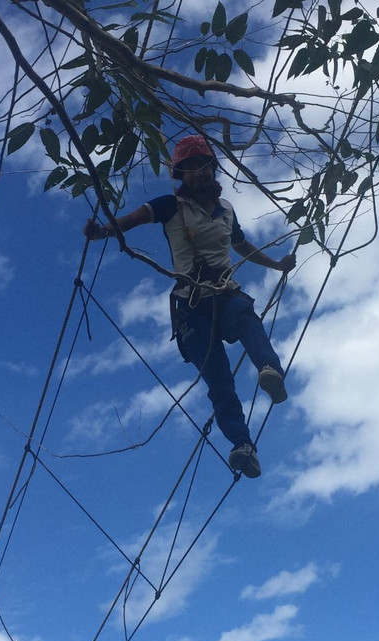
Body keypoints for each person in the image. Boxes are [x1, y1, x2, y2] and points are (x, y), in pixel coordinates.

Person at [83, 134, 296, 479]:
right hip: (192, 307)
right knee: (219, 381)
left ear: (212, 168)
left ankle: (269, 370)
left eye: (203, 166)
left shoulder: (226, 210)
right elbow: (134, 219)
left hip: (224, 294)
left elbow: (242, 246)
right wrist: (104, 231)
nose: (198, 174)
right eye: (190, 169)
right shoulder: (171, 206)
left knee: (244, 315)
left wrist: (276, 265)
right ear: (180, 176)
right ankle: (242, 445)